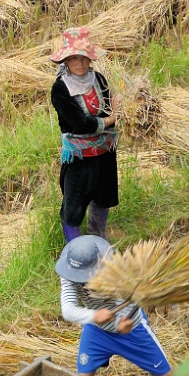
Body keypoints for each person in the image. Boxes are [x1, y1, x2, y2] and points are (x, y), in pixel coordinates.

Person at [56, 235, 177, 376]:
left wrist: (126, 322)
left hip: (132, 329)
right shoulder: (69, 272)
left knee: (165, 374)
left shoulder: (114, 267)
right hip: (97, 329)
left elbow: (133, 297)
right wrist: (94, 315)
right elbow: (68, 310)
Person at [49, 26, 122, 243]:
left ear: (90, 59)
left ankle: (98, 238)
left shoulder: (98, 79)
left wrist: (122, 107)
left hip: (104, 152)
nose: (79, 63)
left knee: (103, 196)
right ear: (65, 62)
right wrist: (111, 119)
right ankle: (75, 248)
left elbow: (109, 106)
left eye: (83, 58)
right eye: (73, 58)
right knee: (74, 205)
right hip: (79, 158)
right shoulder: (60, 89)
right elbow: (80, 124)